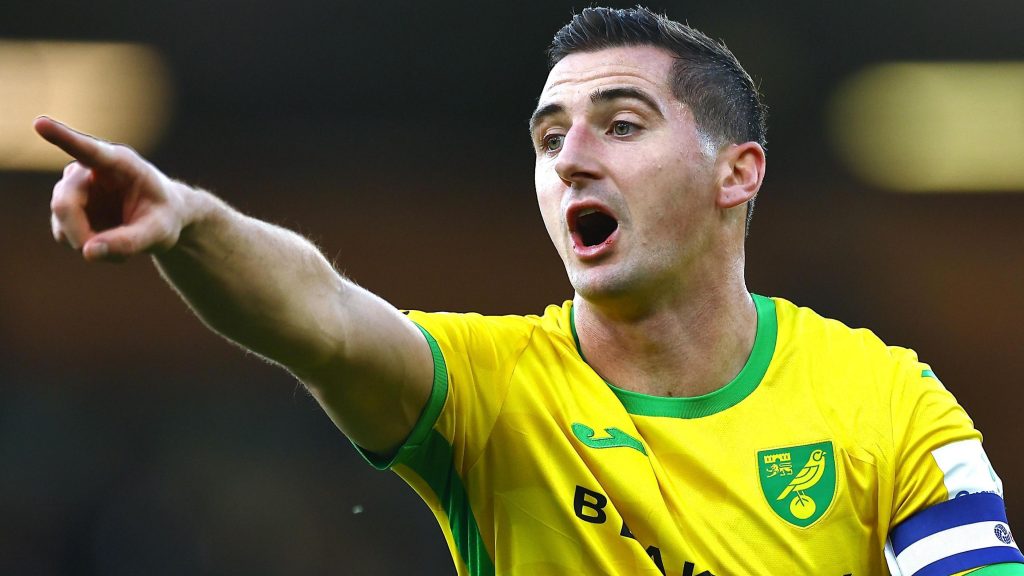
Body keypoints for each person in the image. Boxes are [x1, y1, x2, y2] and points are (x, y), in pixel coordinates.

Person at [36, 6, 1021, 575]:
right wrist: (193, 223)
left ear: (736, 173)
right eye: (550, 138)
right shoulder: (494, 390)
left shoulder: (889, 402)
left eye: (621, 125)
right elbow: (325, 319)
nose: (571, 159)